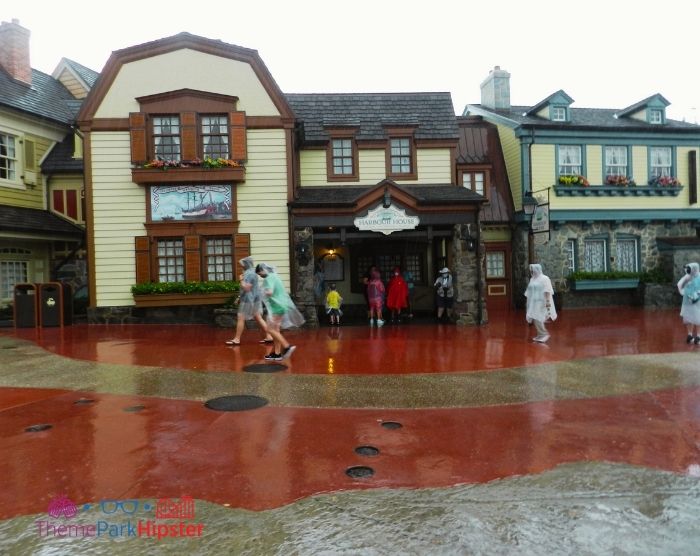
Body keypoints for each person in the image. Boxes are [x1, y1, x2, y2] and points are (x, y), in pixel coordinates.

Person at [256, 263, 304, 361]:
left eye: (259, 273)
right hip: (282, 306)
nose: (260, 276)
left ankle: (287, 346)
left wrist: (260, 292)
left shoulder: (269, 278)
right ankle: (277, 353)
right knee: (276, 330)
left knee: (270, 329)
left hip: (276, 307)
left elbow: (270, 292)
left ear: (263, 270)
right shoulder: (275, 276)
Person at [225, 257, 273, 346]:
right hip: (253, 299)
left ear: (246, 264)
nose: (241, 266)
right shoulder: (251, 272)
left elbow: (247, 288)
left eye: (242, 265)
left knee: (240, 318)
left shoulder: (249, 274)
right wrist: (239, 297)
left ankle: (237, 339)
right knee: (258, 318)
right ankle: (270, 336)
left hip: (249, 300)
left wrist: (241, 279)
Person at [525, 263, 557, 343]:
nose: (532, 272)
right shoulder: (532, 279)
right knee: (534, 317)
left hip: (541, 301)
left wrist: (547, 302)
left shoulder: (545, 278)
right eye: (531, 271)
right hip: (534, 301)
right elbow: (529, 290)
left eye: (533, 270)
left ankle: (544, 334)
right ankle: (540, 334)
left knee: (538, 317)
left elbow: (547, 290)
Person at [677, 262, 700, 344]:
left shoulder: (687, 276)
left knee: (689, 318)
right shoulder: (697, 276)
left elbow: (679, 284)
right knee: (697, 318)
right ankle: (698, 336)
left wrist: (683, 292)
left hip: (687, 301)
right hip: (697, 301)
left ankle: (690, 335)